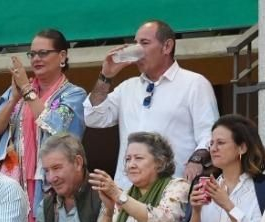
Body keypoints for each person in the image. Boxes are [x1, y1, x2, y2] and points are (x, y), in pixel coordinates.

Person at [85, 20, 215, 186]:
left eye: (144, 43)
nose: (138, 51)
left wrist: (196, 160)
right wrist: (105, 76)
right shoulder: (127, 87)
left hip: (170, 191)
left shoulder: (194, 83)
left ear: (167, 46)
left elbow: (209, 134)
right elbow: (93, 118)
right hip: (127, 190)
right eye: (136, 44)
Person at [0, 30, 86, 222]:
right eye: (32, 54)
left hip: (52, 181)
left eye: (43, 53)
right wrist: (14, 98)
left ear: (62, 56)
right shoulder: (18, 90)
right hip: (14, 179)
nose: (36, 59)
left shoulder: (74, 95)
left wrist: (26, 89)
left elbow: (57, 128)